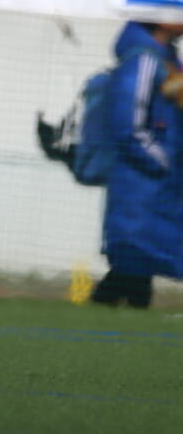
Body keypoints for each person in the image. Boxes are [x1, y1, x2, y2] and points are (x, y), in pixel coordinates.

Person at [90, 20, 183, 309]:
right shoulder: (143, 59)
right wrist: (163, 162)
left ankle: (110, 314)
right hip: (142, 182)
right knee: (134, 258)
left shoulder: (166, 58)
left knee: (139, 261)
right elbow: (129, 126)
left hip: (159, 182)